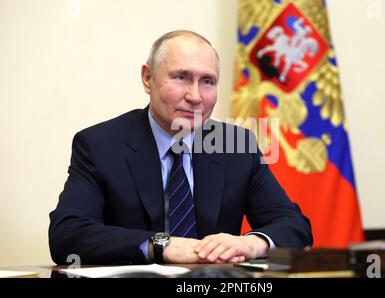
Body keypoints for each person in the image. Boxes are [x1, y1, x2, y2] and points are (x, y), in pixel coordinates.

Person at [49, 30, 312, 265]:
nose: (195, 96)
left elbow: (295, 226)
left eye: (207, 81)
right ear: (148, 78)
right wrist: (161, 245)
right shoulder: (100, 145)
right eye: (182, 77)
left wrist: (251, 243)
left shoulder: (236, 147)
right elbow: (67, 235)